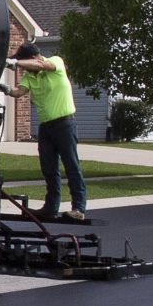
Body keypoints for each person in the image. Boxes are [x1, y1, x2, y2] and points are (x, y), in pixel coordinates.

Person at [11, 43, 89, 223]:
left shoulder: (55, 62)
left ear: (33, 58)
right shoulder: (30, 76)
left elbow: (41, 65)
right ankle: (51, 208)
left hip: (64, 123)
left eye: (23, 61)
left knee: (71, 165)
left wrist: (16, 63)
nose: (21, 65)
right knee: (49, 168)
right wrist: (2, 88)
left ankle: (78, 207)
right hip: (46, 127)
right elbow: (18, 92)